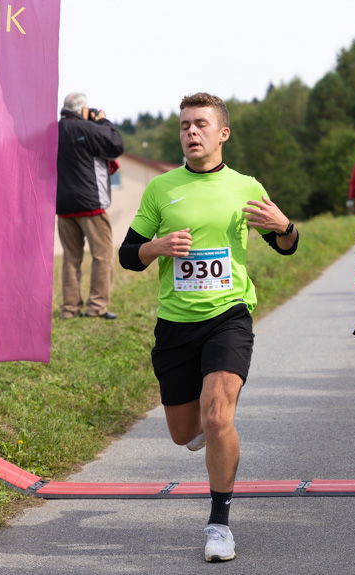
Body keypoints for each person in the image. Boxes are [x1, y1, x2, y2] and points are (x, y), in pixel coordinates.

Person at [118, 92, 299, 563]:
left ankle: (219, 524)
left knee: (218, 417)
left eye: (200, 124)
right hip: (175, 324)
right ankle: (205, 429)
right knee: (184, 433)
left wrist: (285, 225)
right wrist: (156, 248)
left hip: (229, 315)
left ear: (223, 133)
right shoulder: (161, 189)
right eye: (184, 125)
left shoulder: (245, 186)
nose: (191, 132)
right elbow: (127, 255)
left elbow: (286, 245)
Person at [56, 92, 124, 319]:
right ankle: (96, 307)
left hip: (63, 206)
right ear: (83, 110)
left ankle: (69, 309)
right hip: (90, 205)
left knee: (71, 258)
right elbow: (115, 144)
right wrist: (103, 120)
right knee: (102, 255)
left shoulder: (52, 131)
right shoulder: (85, 129)